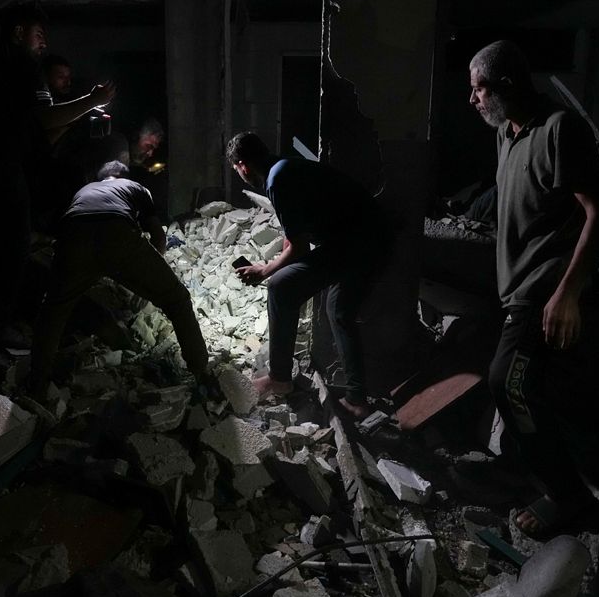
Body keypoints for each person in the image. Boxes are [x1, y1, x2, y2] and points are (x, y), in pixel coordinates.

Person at [468, 41, 599, 539]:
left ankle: (568, 497)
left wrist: (567, 294)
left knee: (506, 382)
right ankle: (545, 466)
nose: (473, 99)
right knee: (532, 386)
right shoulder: (508, 133)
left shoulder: (559, 129)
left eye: (479, 87)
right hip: (516, 287)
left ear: (506, 84)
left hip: (544, 289)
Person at [0, 3, 116, 335]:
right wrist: (93, 100)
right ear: (19, 33)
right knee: (14, 241)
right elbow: (43, 119)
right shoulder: (23, 67)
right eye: (39, 35)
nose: (43, 44)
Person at [225, 131, 387, 418]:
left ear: (243, 166)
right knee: (338, 310)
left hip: (355, 242)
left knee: (279, 286)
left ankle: (279, 379)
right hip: (363, 238)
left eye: (236, 169)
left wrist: (265, 270)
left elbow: (298, 248)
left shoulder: (277, 180)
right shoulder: (285, 168)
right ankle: (357, 400)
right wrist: (276, 261)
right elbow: (293, 235)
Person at [26, 161, 211, 397]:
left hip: (73, 236)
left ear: (100, 177)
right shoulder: (134, 186)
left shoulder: (84, 190)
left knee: (54, 309)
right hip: (117, 231)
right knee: (177, 300)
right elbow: (158, 236)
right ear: (123, 175)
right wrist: (150, 278)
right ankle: (201, 373)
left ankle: (37, 382)